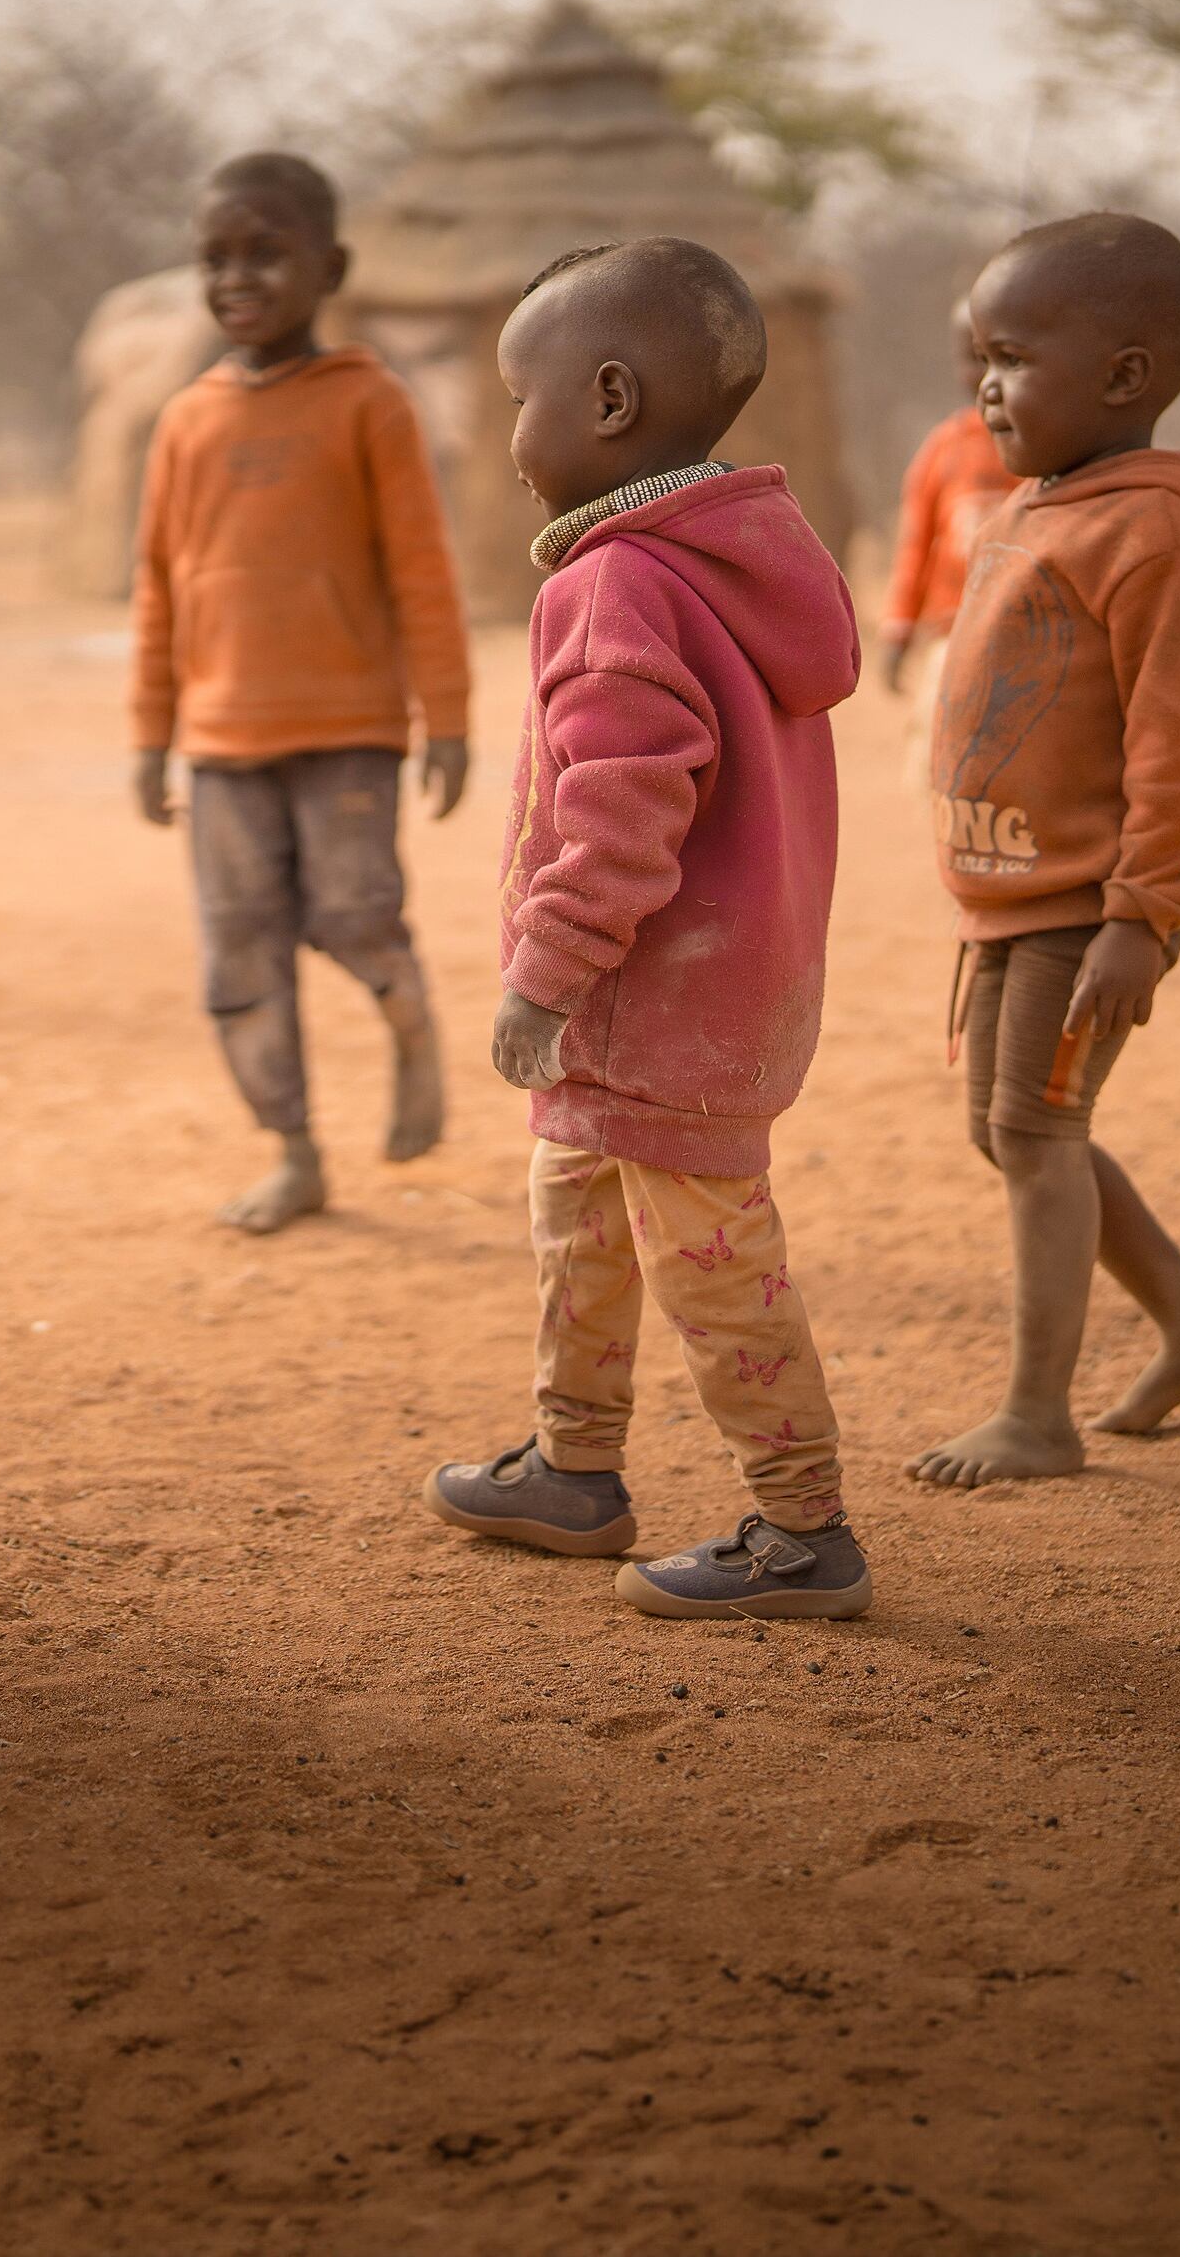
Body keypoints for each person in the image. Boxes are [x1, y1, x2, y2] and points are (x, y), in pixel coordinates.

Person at [424, 236, 873, 1623]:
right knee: (580, 1225)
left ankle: (805, 1534)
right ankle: (572, 1468)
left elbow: (621, 818)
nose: (507, 431)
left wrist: (540, 979)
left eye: (518, 397)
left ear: (608, 402)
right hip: (699, 996)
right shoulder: (742, 560)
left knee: (713, 1267)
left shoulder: (613, 583)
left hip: (642, 1004)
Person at [908, 211, 1180, 1490]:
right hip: (1014, 898)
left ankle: (1035, 1414)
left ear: (1124, 378)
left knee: (1036, 1133)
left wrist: (1142, 912)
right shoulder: (1043, 502)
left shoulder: (1160, 532)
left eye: (1013, 356)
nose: (985, 384)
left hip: (1089, 903)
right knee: (1017, 1131)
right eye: (981, 354)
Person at [130, 152, 472, 1236]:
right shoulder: (184, 419)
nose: (237, 277)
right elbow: (157, 585)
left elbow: (422, 570)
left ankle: (406, 1021)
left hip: (349, 730)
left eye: (265, 254)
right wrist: (150, 735)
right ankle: (294, 1151)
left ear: (330, 266)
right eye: (215, 258)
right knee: (239, 953)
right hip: (221, 739)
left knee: (355, 912)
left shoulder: (370, 403)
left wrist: (448, 721)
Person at [878, 299, 1019, 784]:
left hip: (1028, 636)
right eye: (975, 357)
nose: (986, 374)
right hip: (952, 636)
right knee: (945, 759)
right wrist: (898, 630)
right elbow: (915, 545)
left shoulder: (1047, 452)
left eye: (1008, 357)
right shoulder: (944, 449)